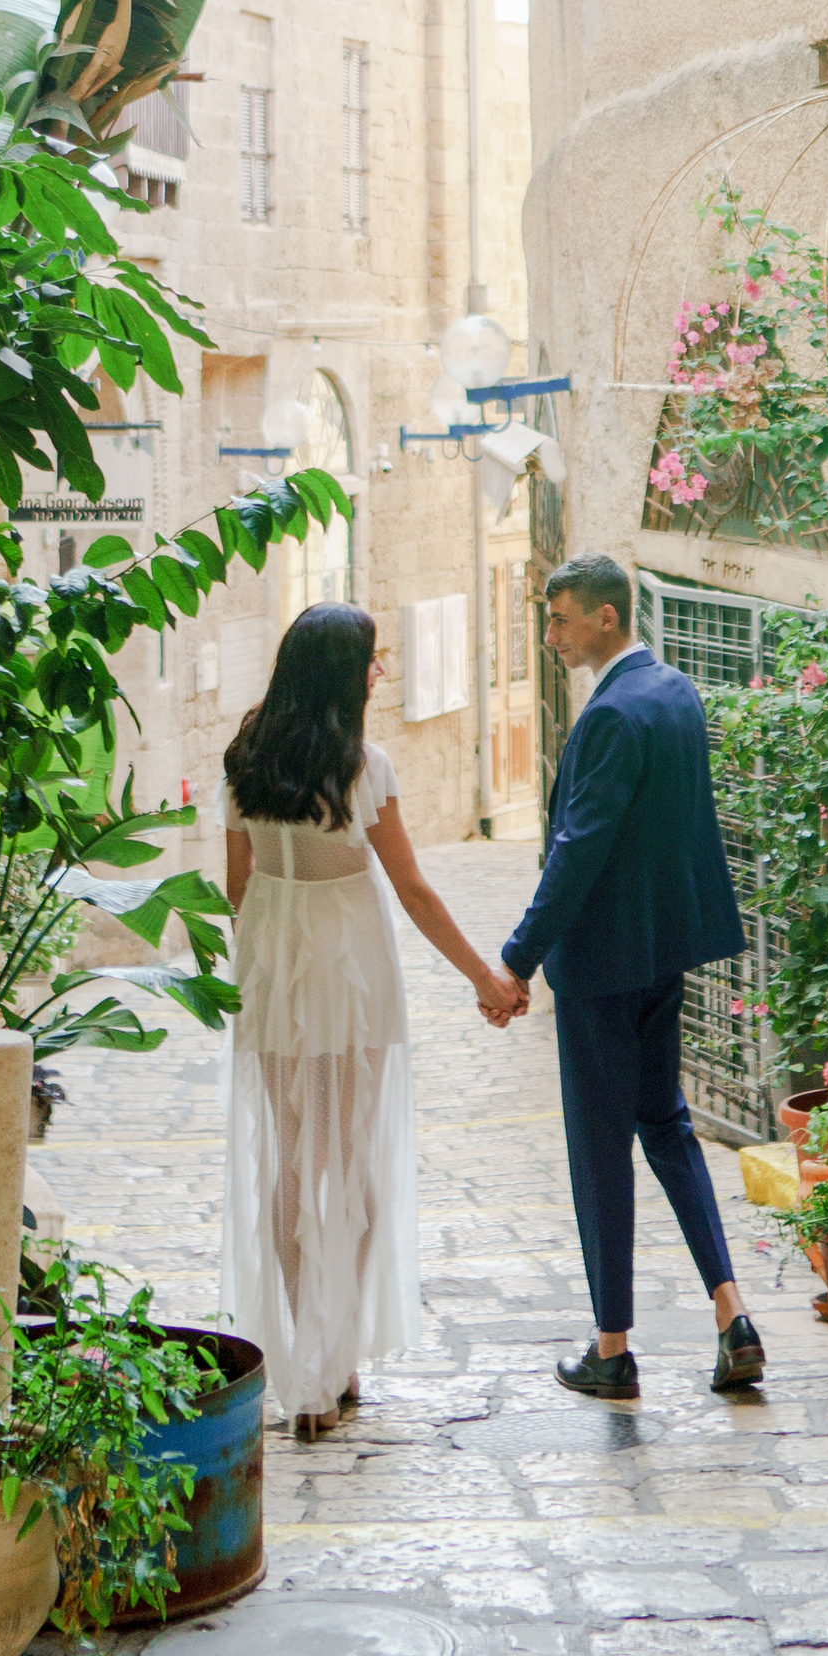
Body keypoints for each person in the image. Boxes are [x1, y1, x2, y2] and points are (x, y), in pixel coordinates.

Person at [218, 600, 518, 1437]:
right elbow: (414, 891)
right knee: (348, 1156)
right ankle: (334, 1354)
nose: (379, 673)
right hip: (349, 968)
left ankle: (302, 1352)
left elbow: (236, 888)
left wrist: (263, 956)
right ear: (342, 676)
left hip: (273, 967)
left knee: (288, 1160)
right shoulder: (361, 767)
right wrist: (484, 981)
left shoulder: (243, 759)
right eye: (370, 661)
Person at [487, 554, 766, 1400]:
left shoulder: (610, 717)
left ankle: (612, 1348)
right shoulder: (675, 693)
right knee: (668, 1125)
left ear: (606, 618)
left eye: (561, 618)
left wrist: (515, 958)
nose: (550, 634)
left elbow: (579, 851)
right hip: (660, 957)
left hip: (605, 967)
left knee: (600, 1151)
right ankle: (733, 1315)